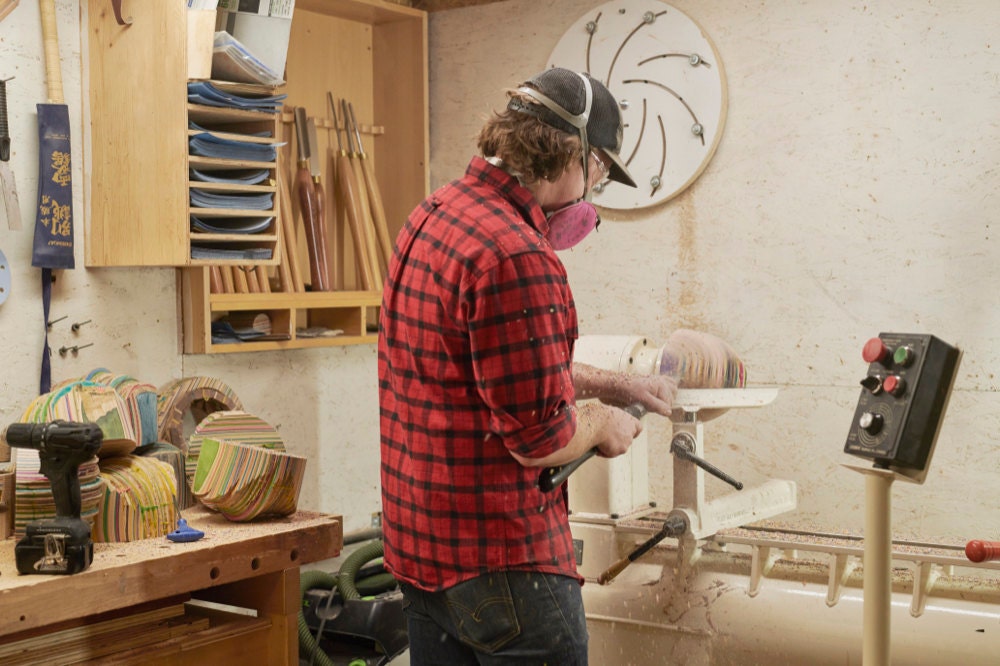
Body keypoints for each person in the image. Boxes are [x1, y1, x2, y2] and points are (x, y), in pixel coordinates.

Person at [377, 67, 678, 665]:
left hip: (421, 556)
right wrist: (600, 422)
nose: (593, 188)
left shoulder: (434, 214)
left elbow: (491, 375)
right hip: (503, 568)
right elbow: (537, 437)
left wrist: (620, 385)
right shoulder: (518, 253)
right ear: (576, 154)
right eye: (599, 170)